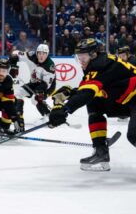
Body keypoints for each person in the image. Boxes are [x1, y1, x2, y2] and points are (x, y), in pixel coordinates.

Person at [49, 38, 136, 171]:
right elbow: (87, 90)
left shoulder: (101, 66)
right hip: (128, 100)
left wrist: (65, 109)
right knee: (94, 102)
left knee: (133, 135)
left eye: (83, 57)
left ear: (93, 54)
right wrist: (71, 93)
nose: (81, 61)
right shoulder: (99, 63)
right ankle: (101, 151)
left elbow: (87, 92)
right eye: (79, 57)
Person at [10, 44, 56, 123]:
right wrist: (14, 66)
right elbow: (15, 53)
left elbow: (46, 84)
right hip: (33, 83)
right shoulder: (31, 55)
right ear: (36, 53)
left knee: (35, 99)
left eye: (44, 54)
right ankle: (19, 116)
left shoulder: (50, 66)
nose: (41, 56)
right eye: (39, 53)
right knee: (18, 93)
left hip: (47, 86)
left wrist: (39, 93)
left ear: (47, 54)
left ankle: (48, 116)